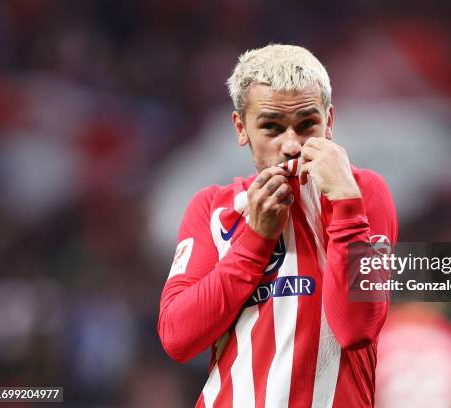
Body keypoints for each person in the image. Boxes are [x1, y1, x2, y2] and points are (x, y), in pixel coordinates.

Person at [158, 44, 398, 407]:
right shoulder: (213, 207)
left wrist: (347, 206)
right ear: (241, 128)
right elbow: (178, 337)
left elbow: (356, 329)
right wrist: (256, 239)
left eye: (307, 125)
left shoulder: (364, 193)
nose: (291, 145)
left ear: (329, 122)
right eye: (271, 127)